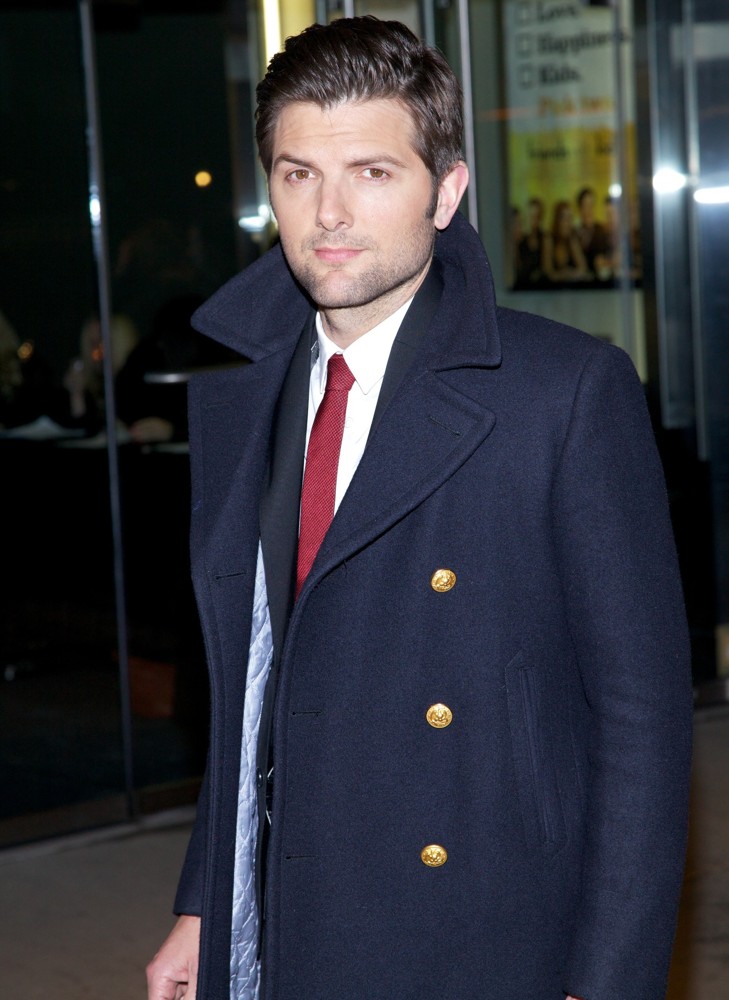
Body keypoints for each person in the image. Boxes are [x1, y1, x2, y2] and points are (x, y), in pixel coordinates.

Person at [147, 16, 692, 1000]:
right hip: (290, 915)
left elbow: (643, 724)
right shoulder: (238, 394)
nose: (329, 214)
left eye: (373, 172)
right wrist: (207, 900)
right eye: (298, 173)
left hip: (473, 933)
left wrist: (607, 981)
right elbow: (255, 687)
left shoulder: (562, 393)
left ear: (446, 191)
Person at [542, 199, 590, 284]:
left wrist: (569, 274)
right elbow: (548, 272)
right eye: (565, 218)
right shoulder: (549, 239)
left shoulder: (572, 239)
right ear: (557, 220)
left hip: (572, 289)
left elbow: (583, 268)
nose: (568, 223)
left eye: (570, 218)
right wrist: (564, 275)